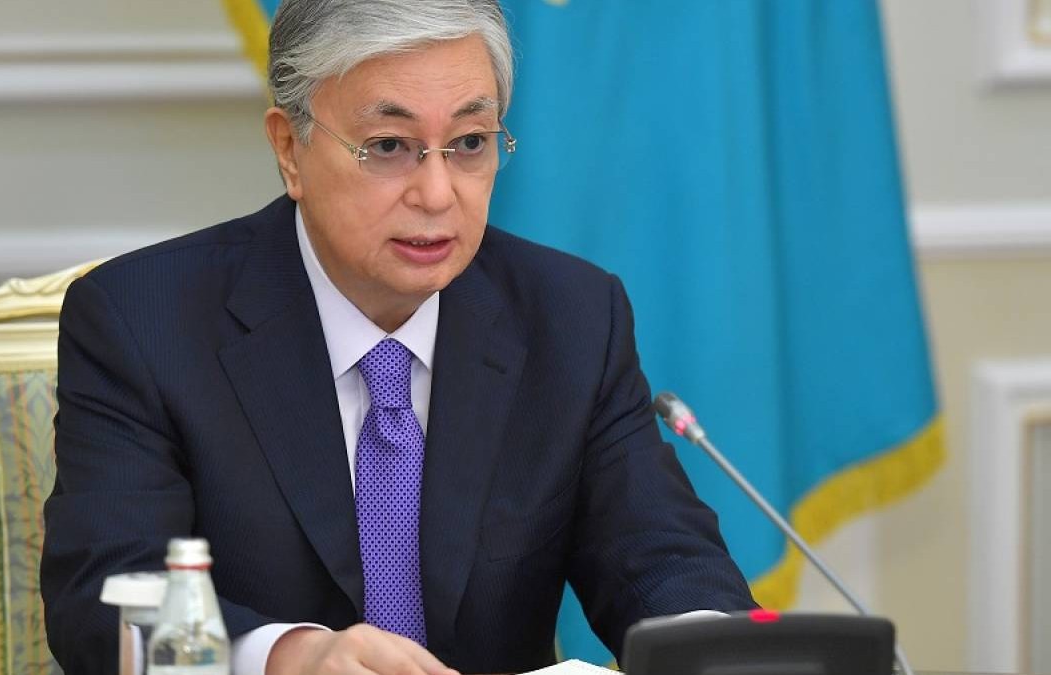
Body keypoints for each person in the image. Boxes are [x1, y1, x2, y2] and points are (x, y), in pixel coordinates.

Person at [40, 1, 756, 674]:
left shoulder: (570, 316)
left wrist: (710, 648)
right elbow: (104, 599)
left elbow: (661, 557)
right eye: (388, 146)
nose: (438, 195)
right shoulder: (144, 321)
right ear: (290, 149)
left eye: (469, 143)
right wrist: (290, 657)